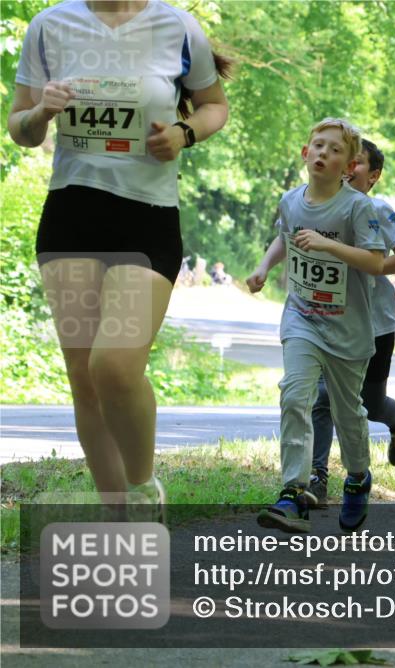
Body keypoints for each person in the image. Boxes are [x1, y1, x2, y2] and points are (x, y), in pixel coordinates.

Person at [8, 0, 229, 517]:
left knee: (115, 364)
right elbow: (20, 129)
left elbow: (214, 104)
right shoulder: (49, 27)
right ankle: (118, 517)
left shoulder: (177, 26)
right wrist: (41, 111)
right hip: (72, 212)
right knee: (83, 374)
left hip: (147, 216)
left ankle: (142, 484)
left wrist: (185, 132)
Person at [246, 118, 384, 534]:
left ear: (349, 166)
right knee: (294, 395)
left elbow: (376, 261)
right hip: (302, 317)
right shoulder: (291, 201)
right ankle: (293, 493)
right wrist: (264, 266)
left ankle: (358, 476)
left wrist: (327, 244)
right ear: (306, 154)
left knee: (348, 414)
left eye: (335, 149)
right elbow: (286, 238)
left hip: (348, 329)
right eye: (318, 146)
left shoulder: (358, 207)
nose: (324, 153)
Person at [307, 139, 395, 508]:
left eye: (357, 163)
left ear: (373, 176)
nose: (348, 166)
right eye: (345, 159)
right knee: (321, 398)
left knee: (369, 404)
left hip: (374, 322)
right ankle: (316, 477)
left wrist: (364, 263)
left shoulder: (378, 211)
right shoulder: (316, 206)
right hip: (327, 318)